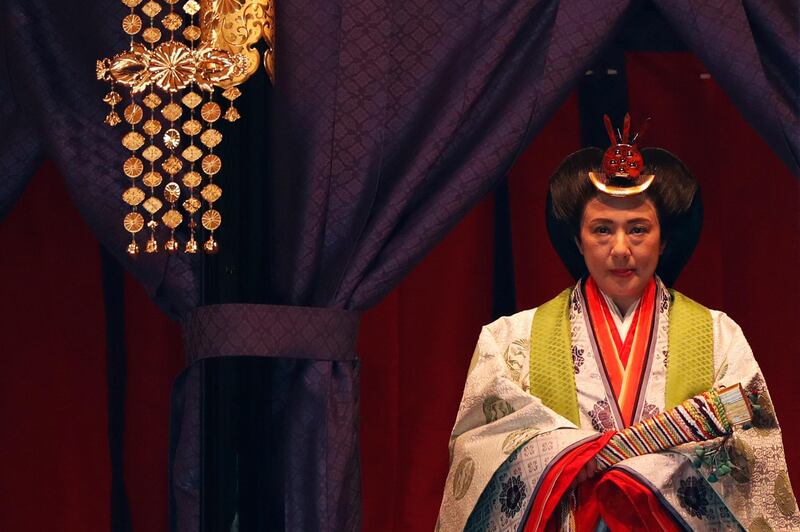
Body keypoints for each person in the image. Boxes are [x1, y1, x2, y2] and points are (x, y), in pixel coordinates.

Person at [437, 116, 799, 531]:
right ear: (578, 239)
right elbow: (480, 448)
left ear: (664, 240)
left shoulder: (718, 335)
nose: (621, 249)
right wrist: (569, 457)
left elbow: (749, 433)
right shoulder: (511, 338)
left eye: (639, 229)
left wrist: (629, 469)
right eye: (602, 230)